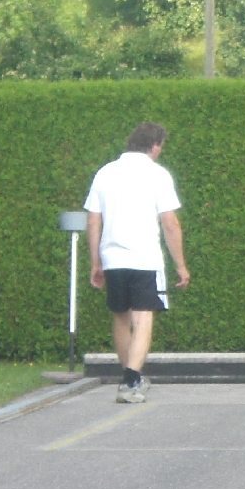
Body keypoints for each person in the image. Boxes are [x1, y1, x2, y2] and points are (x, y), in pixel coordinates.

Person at [83, 122, 190, 404]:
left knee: (121, 317)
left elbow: (93, 220)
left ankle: (131, 377)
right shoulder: (158, 175)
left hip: (113, 258)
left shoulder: (105, 173)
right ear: (154, 146)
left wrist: (95, 262)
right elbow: (170, 223)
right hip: (145, 257)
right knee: (143, 317)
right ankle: (131, 381)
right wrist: (180, 265)